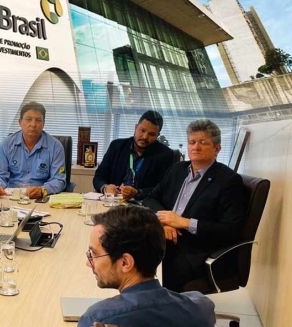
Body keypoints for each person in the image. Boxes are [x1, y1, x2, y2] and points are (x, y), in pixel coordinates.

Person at [143, 119, 246, 292]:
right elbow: (150, 198)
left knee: (150, 271)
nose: (195, 147)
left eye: (203, 142)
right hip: (165, 238)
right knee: (129, 253)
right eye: (192, 142)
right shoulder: (178, 169)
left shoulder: (229, 181)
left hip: (196, 251)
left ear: (217, 148)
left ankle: (165, 315)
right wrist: (165, 221)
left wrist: (184, 222)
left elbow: (232, 230)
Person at [79, 206, 216, 327]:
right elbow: (201, 301)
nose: (88, 262)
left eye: (94, 255)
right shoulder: (202, 309)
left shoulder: (97, 318)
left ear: (125, 263)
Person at [93, 110, 174, 201]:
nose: (145, 137)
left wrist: (137, 192)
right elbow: (99, 177)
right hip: (113, 201)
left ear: (157, 135)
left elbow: (164, 189)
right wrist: (105, 187)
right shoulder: (116, 146)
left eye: (151, 134)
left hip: (143, 205)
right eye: (142, 130)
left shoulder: (166, 155)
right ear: (136, 128)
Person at [0, 101, 66, 199]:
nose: (33, 124)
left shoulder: (56, 147)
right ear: (20, 122)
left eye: (38, 120)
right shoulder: (6, 145)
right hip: (11, 197)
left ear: (43, 123)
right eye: (29, 119)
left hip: (40, 197)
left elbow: (59, 179)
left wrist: (43, 190)